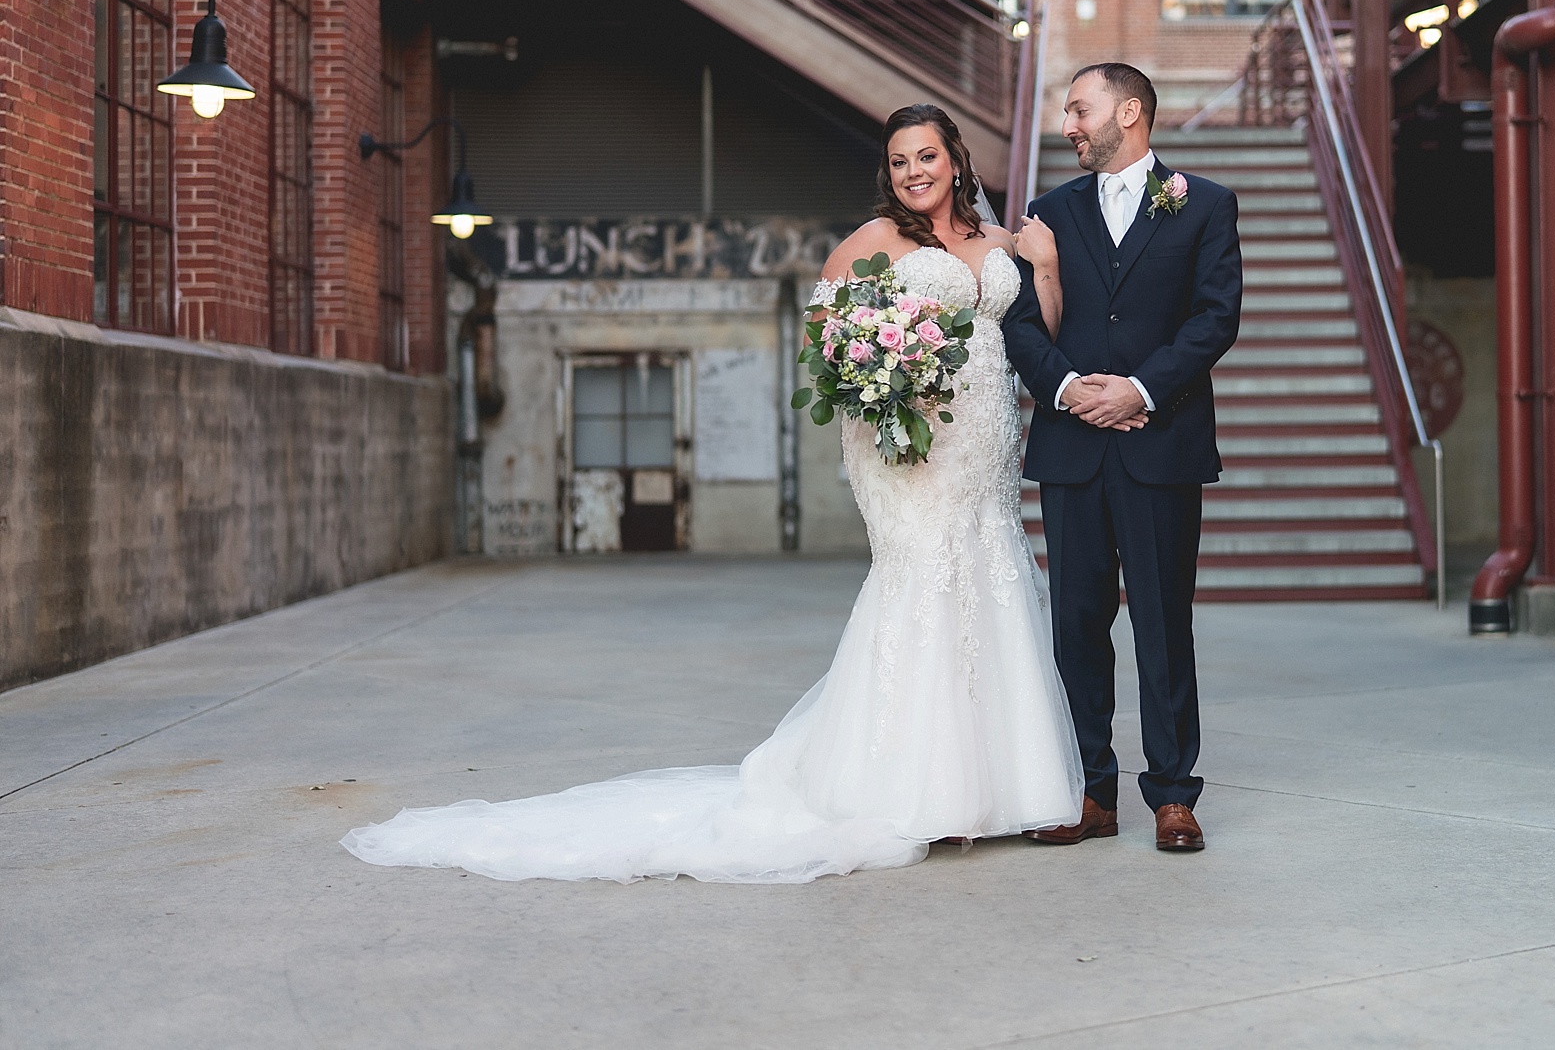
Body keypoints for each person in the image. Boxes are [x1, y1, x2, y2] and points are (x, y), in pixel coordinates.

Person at [341, 104, 1083, 883]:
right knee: (925, 587)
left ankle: (995, 789)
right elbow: (823, 341)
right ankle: (923, 791)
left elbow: (1042, 336)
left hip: (987, 452)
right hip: (912, 453)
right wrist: (884, 381)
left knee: (989, 581)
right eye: (899, 162)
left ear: (957, 160)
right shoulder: (875, 242)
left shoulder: (1003, 243)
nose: (914, 173)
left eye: (926, 156)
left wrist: (1045, 267)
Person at [1002, 63, 1243, 853]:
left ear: (1129, 112)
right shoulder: (1049, 213)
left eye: (1079, 109)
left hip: (1160, 444)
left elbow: (1214, 320)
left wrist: (1139, 390)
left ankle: (1174, 794)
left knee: (1164, 621)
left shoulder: (1204, 205)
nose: (1067, 124)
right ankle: (1087, 791)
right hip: (1073, 448)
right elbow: (1022, 326)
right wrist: (1070, 388)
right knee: (1076, 623)